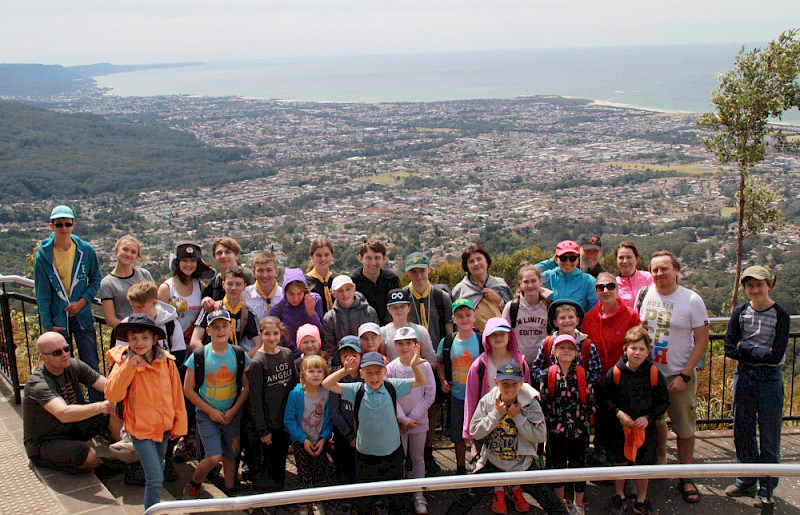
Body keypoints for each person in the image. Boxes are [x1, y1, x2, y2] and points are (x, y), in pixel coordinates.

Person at [447, 360, 567, 515]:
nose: (510, 390)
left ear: (522, 382)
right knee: (468, 497)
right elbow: (475, 432)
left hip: (523, 463)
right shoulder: (489, 400)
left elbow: (540, 435)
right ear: (497, 383)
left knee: (550, 501)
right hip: (494, 460)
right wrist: (496, 415)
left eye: (514, 384)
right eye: (505, 384)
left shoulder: (531, 402)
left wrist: (518, 418)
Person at [639, 250, 709, 503]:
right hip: (652, 374)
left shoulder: (691, 300)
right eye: (655, 269)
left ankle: (686, 475)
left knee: (684, 426)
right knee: (656, 422)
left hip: (679, 374)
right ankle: (661, 464)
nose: (659, 274)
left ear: (676, 270)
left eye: (664, 269)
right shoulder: (646, 295)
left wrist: (686, 375)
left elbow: (702, 341)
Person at [323, 350, 426, 512]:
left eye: (378, 372)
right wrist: (344, 370)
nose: (374, 377)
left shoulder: (393, 386)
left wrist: (414, 366)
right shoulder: (356, 389)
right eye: (369, 373)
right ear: (361, 374)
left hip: (392, 455)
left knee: (395, 502)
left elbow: (420, 381)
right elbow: (327, 384)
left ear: (385, 372)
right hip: (366, 457)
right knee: (365, 503)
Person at [106, 314, 188, 509]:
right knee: (155, 477)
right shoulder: (123, 361)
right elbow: (113, 393)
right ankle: (152, 511)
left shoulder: (166, 361)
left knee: (158, 467)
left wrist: (179, 425)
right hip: (139, 429)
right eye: (134, 338)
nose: (139, 343)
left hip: (163, 427)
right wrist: (129, 367)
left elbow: (176, 394)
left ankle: (154, 507)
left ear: (154, 339)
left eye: (144, 338)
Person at [723, 266, 790, 503]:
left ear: (768, 285)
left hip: (769, 379)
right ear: (745, 288)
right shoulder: (740, 313)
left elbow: (776, 356)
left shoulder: (781, 315)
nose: (755, 289)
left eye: (759, 285)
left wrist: (747, 348)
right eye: (750, 285)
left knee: (770, 433)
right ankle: (747, 480)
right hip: (745, 376)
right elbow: (729, 347)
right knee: (743, 430)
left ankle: (767, 486)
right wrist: (758, 351)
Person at [34, 205, 103, 401]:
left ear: (73, 224)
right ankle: (77, 407)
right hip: (59, 320)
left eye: (67, 223)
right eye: (59, 224)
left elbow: (95, 279)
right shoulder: (44, 256)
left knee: (90, 363)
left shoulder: (85, 250)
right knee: (64, 366)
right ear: (51, 225)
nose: (64, 227)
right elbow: (42, 293)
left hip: (82, 317)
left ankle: (97, 408)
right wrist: (48, 325)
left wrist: (82, 301)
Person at [23, 332, 116, 472]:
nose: (65, 354)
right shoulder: (39, 383)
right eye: (57, 352)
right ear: (43, 358)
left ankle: (128, 452)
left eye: (66, 349)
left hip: (72, 428)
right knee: (88, 455)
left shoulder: (73, 365)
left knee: (115, 411)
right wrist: (102, 406)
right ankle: (105, 465)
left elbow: (109, 387)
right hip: (46, 442)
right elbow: (63, 413)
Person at [183, 310, 251, 498]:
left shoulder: (238, 354)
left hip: (232, 413)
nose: (220, 330)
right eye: (215, 327)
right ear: (208, 331)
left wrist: (234, 410)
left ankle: (230, 489)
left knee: (231, 454)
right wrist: (210, 411)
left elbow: (246, 387)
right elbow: (187, 389)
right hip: (206, 414)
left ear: (230, 328)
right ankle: (194, 484)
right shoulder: (199, 356)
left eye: (224, 326)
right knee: (214, 456)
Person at [603, 326, 670, 515]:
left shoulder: (654, 373)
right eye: (633, 348)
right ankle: (619, 495)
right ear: (625, 349)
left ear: (648, 352)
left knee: (644, 463)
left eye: (641, 349)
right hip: (620, 427)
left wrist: (649, 418)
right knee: (620, 462)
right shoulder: (615, 373)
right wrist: (618, 413)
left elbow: (664, 402)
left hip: (644, 428)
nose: (637, 353)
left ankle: (642, 498)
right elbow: (606, 400)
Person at [582, 272, 641, 464]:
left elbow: (638, 343)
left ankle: (626, 466)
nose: (605, 290)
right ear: (596, 291)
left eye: (610, 286)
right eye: (600, 287)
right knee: (601, 420)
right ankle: (602, 459)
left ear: (617, 289)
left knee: (623, 423)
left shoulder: (631, 316)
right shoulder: (590, 317)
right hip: (599, 380)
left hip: (623, 379)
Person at [539, 334, 595, 514]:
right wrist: (550, 425)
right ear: (554, 351)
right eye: (562, 348)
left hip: (579, 430)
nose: (566, 351)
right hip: (556, 431)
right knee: (558, 466)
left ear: (576, 352)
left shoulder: (582, 374)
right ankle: (560, 503)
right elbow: (544, 402)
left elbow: (589, 401)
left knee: (579, 465)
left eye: (570, 348)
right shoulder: (548, 374)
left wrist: (584, 423)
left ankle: (578, 504)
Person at [245, 316, 298, 493]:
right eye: (267, 334)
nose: (271, 338)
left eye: (275, 333)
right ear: (260, 334)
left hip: (284, 422)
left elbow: (293, 386)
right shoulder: (257, 363)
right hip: (267, 425)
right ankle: (266, 503)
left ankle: (280, 498)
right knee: (265, 467)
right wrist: (262, 430)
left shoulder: (287, 354)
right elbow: (255, 400)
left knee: (280, 464)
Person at [386, 326, 436, 515]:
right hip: (398, 423)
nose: (405, 347)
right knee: (400, 458)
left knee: (417, 458)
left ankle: (418, 494)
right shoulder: (391, 368)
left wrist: (414, 417)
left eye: (409, 343)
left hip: (419, 423)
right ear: (395, 345)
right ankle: (400, 494)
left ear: (417, 345)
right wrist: (402, 419)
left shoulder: (424, 367)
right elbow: (390, 395)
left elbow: (429, 394)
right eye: (400, 343)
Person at [463, 317, 531, 446]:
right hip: (488, 417)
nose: (498, 337)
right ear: (486, 338)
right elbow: (471, 398)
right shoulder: (479, 365)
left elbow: (528, 394)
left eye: (502, 334)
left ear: (509, 336)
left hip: (515, 416)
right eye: (493, 334)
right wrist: (468, 430)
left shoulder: (520, 363)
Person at [437, 298, 482, 475]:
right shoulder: (447, 342)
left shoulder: (481, 340)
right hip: (456, 395)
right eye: (460, 316)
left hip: (478, 397)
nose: (464, 319)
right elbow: (440, 362)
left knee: (480, 433)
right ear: (453, 319)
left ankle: (481, 466)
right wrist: (442, 381)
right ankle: (460, 468)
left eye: (468, 315)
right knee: (458, 435)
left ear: (474, 317)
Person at [284, 355, 333, 514]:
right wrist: (302, 439)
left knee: (319, 472)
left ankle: (317, 501)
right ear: (303, 373)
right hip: (301, 441)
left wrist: (324, 438)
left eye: (319, 371)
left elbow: (330, 418)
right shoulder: (296, 394)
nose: (316, 374)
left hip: (320, 439)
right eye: (311, 371)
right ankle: (303, 502)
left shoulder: (327, 393)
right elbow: (289, 420)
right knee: (304, 473)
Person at [190, 266, 261, 357]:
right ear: (223, 285)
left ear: (244, 287)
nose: (233, 288)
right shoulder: (211, 308)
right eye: (230, 284)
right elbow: (195, 340)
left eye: (238, 284)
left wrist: (241, 360)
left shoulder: (246, 314)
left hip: (232, 362)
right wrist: (208, 358)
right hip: (210, 360)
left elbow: (259, 344)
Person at [531, 300, 601, 387]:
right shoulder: (548, 343)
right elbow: (536, 368)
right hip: (552, 394)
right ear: (555, 322)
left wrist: (581, 384)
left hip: (579, 395)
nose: (567, 321)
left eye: (571, 317)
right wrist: (548, 381)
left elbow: (596, 373)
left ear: (577, 321)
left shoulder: (587, 345)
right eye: (562, 318)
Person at [158, 242, 216, 343]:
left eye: (192, 261)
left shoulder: (200, 287)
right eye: (184, 260)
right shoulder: (166, 288)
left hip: (195, 344)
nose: (188, 264)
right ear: (178, 262)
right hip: (172, 344)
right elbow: (159, 322)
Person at [451, 244, 513, 332]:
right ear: (467, 266)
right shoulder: (460, 291)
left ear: (487, 261)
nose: (476, 264)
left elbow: (513, 314)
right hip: (474, 341)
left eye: (479, 259)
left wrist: (499, 300)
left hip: (501, 337)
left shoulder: (500, 285)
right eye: (471, 261)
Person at [328, 335, 363, 487]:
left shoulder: (367, 377)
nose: (350, 360)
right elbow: (335, 412)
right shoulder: (336, 380)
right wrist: (349, 436)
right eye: (345, 356)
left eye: (354, 355)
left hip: (365, 435)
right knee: (345, 470)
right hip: (344, 435)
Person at [503, 263, 552, 367]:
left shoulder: (548, 306)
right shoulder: (512, 307)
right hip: (518, 363)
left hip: (542, 364)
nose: (530, 285)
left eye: (534, 281)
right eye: (526, 282)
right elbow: (504, 335)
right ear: (520, 284)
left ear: (540, 282)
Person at [402, 251, 453, 351]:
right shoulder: (403, 297)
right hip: (410, 356)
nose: (419, 276)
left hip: (438, 354)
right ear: (407, 272)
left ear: (429, 269)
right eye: (413, 272)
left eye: (422, 271)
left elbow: (449, 331)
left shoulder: (442, 297)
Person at [99, 235, 154, 328]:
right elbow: (110, 319)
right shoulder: (107, 283)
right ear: (116, 251)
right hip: (124, 333)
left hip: (148, 331)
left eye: (133, 252)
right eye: (125, 249)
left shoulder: (144, 274)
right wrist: (133, 331)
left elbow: (155, 303)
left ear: (136, 256)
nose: (128, 254)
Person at [269, 268, 324, 359]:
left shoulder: (314, 300)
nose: (295, 298)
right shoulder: (278, 309)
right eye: (291, 294)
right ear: (284, 292)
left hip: (312, 355)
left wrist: (311, 313)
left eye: (299, 294)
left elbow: (320, 333)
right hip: (289, 357)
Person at [322, 275, 380, 356]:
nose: (345, 294)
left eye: (348, 289)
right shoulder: (329, 318)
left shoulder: (369, 312)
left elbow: (376, 339)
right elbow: (330, 347)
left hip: (367, 359)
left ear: (354, 289)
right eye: (340, 290)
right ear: (333, 294)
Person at [536, 240, 598, 315]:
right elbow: (529, 272)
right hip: (552, 325)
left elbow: (595, 309)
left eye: (572, 258)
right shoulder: (548, 277)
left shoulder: (589, 281)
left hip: (579, 325)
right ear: (556, 259)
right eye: (563, 258)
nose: (568, 262)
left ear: (578, 259)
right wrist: (551, 262)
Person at [351, 236, 400, 325]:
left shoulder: (392, 280)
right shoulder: (353, 282)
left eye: (377, 258)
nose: (373, 263)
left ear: (384, 259)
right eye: (368, 258)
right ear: (361, 258)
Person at [381, 288, 436, 364]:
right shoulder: (383, 332)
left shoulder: (420, 331)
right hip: (393, 374)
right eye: (394, 307)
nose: (399, 310)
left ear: (409, 308)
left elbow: (431, 360)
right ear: (389, 309)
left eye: (402, 306)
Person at [201, 236, 255, 306]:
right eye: (219, 253)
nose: (223, 256)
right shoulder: (212, 289)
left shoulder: (251, 278)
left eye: (227, 252)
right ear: (215, 258)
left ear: (236, 255)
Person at [243, 251, 284, 325]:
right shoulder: (244, 295)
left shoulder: (284, 296)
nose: (265, 275)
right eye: (260, 271)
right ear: (254, 273)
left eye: (269, 270)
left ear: (276, 272)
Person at [536, 234, 604, 278]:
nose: (591, 255)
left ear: (600, 253)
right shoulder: (568, 263)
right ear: (579, 250)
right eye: (587, 251)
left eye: (595, 252)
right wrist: (554, 260)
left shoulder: (601, 276)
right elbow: (535, 270)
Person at [305, 236, 339, 314]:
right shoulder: (305, 282)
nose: (323, 259)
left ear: (332, 256)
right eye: (319, 255)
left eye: (326, 255)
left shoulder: (338, 280)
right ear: (312, 257)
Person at [615, 241, 653, 310]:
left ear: (636, 259)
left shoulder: (649, 278)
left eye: (629, 257)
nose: (625, 261)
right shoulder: (613, 285)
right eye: (621, 258)